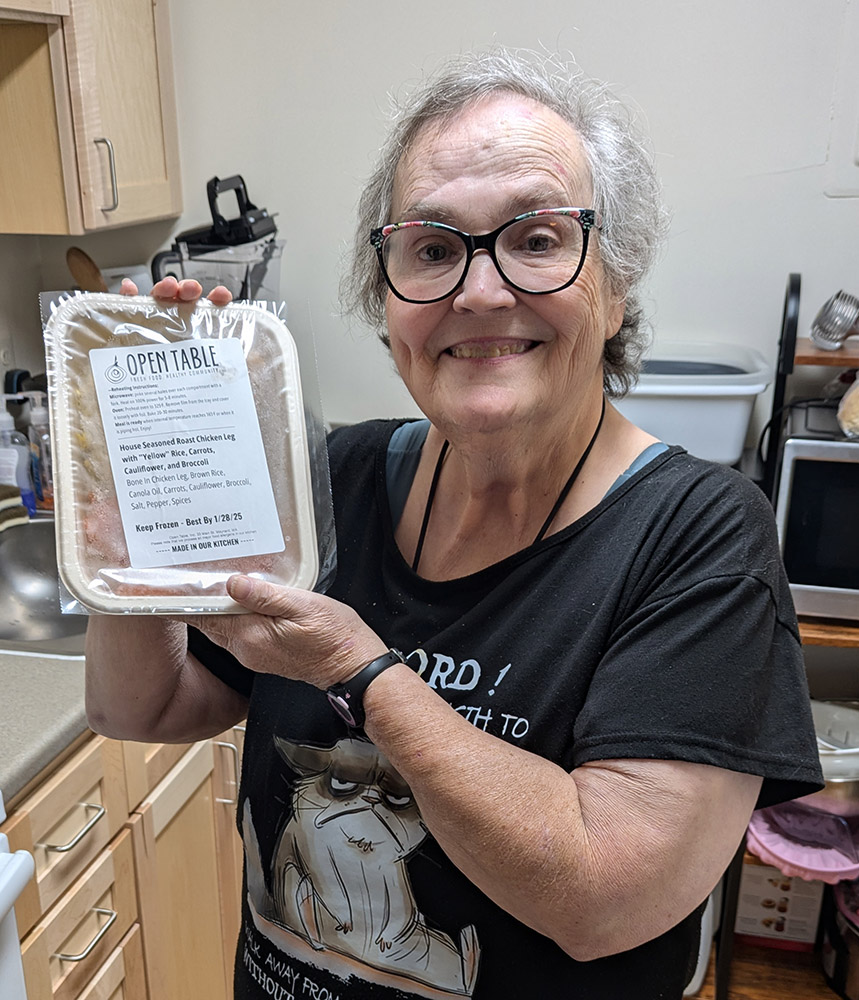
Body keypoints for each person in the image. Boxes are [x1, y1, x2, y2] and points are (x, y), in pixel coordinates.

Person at [86, 48, 823, 999]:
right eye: (431, 249)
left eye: (537, 239)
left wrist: (357, 671)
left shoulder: (698, 535)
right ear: (386, 297)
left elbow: (607, 902)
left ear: (615, 281)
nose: (479, 290)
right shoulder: (339, 479)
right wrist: (131, 557)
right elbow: (137, 709)